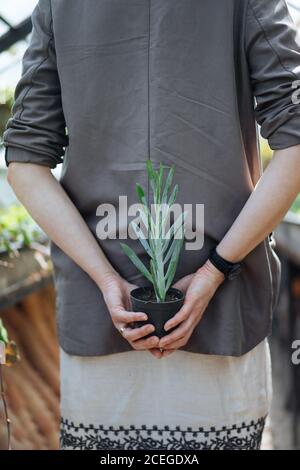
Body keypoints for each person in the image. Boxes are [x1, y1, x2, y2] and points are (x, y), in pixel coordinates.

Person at [3, 0, 300, 450]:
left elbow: (25, 162)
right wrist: (214, 269)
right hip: (224, 309)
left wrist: (105, 279)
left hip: (101, 317)